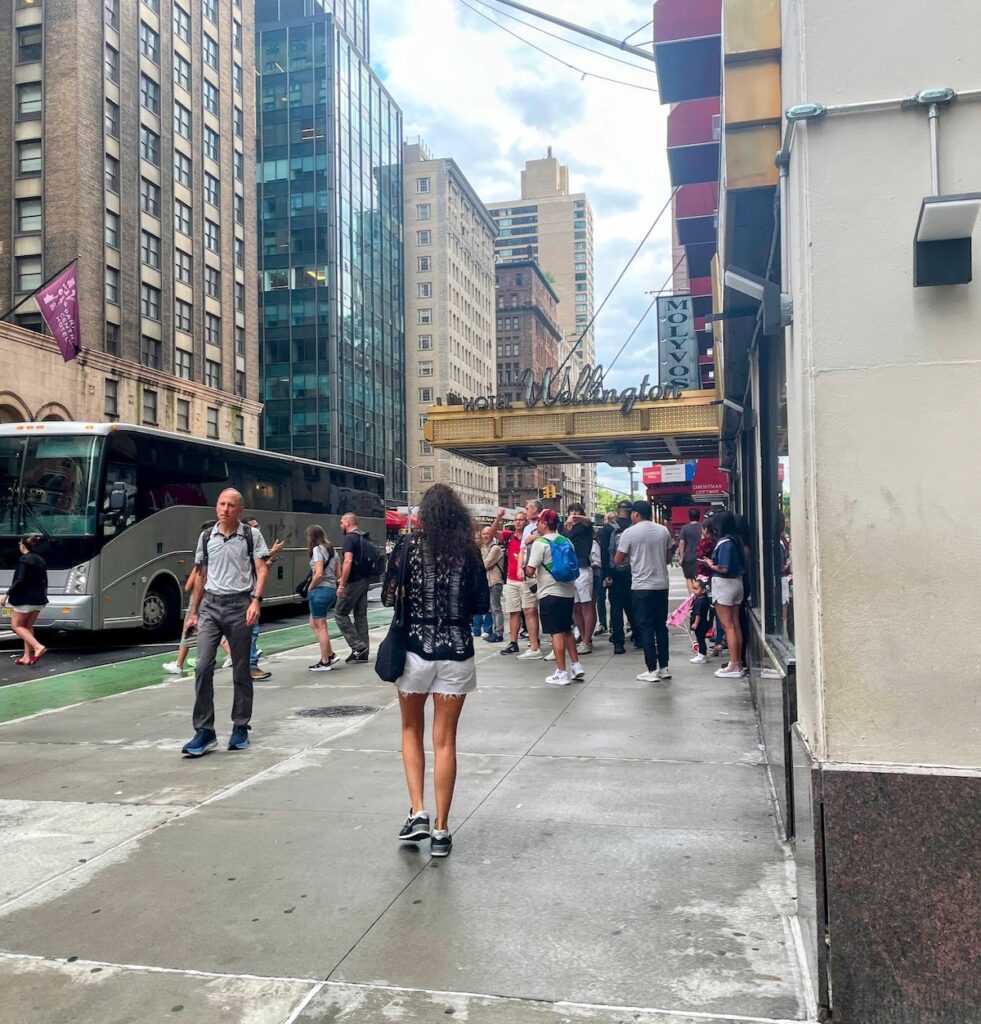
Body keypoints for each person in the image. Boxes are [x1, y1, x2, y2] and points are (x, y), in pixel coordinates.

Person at [383, 484, 489, 858]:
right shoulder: (468, 550)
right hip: (457, 652)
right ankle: (442, 830)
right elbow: (480, 604)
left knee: (411, 729)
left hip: (413, 650)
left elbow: (388, 596)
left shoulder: (407, 547)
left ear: (424, 515)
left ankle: (418, 813)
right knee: (446, 740)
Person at [181, 489, 269, 757]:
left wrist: (255, 601)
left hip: (240, 605)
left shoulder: (251, 536)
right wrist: (194, 611)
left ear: (239, 510)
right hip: (210, 607)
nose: (225, 509)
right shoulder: (207, 536)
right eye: (221, 503)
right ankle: (204, 730)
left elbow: (262, 569)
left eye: (231, 505)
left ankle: (240, 726)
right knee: (203, 666)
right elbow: (201, 574)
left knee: (241, 670)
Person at [615, 501, 673, 683]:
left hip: (641, 586)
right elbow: (668, 558)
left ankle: (651, 668)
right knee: (660, 626)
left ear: (635, 514)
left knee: (645, 627)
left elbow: (618, 559)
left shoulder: (629, 533)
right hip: (661, 584)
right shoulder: (663, 531)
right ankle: (664, 667)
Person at [525, 509, 584, 685]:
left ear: (544, 524)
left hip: (549, 593)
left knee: (556, 633)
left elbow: (530, 570)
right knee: (567, 630)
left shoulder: (540, 543)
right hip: (568, 592)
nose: (536, 525)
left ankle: (561, 672)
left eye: (538, 522)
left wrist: (524, 568)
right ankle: (576, 665)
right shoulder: (566, 541)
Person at [699, 511, 746, 679]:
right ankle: (738, 662)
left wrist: (711, 564)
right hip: (736, 583)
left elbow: (723, 568)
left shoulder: (724, 543)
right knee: (735, 624)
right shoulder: (736, 541)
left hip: (724, 584)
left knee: (728, 626)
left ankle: (733, 664)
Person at [499, 510, 543, 659]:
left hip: (527, 578)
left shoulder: (532, 536)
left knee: (530, 611)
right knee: (513, 611)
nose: (518, 522)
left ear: (527, 522)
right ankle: (513, 642)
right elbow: (492, 533)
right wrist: (498, 517)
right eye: (516, 519)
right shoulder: (510, 536)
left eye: (521, 519)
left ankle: (534, 643)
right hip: (512, 579)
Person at [245, 517, 284, 681]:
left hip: (251, 592)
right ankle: (251, 667)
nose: (257, 529)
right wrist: (272, 552)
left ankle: (247, 666)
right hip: (247, 594)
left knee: (250, 631)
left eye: (257, 525)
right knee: (251, 630)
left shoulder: (251, 544)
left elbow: (257, 567)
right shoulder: (246, 544)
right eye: (253, 526)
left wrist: (267, 562)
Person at [1, 534, 47, 665]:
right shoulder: (40, 559)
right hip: (39, 599)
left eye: (19, 543)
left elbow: (20, 580)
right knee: (27, 627)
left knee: (16, 626)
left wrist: (7, 593)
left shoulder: (24, 560)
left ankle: (38, 646)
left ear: (23, 545)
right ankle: (26, 657)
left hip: (25, 599)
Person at [600, 500, 639, 654]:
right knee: (633, 606)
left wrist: (607, 574)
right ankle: (639, 636)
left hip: (614, 572)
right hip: (633, 572)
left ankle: (618, 642)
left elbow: (604, 553)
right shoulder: (636, 527)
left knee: (616, 608)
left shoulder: (608, 528)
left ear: (617, 511)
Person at [335, 513, 373, 662]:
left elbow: (347, 561)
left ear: (348, 523)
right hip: (365, 580)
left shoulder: (350, 538)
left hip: (353, 582)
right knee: (360, 616)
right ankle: (363, 652)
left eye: (341, 523)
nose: (340, 526)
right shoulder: (364, 537)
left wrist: (342, 584)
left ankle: (358, 646)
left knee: (340, 613)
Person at [305, 524, 340, 672]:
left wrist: (310, 587)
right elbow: (339, 574)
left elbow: (318, 573)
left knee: (321, 626)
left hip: (320, 590)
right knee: (314, 622)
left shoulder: (317, 550)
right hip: (331, 589)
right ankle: (330, 654)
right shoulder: (333, 551)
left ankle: (325, 661)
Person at [563, 503, 596, 655]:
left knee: (586, 604)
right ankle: (583, 637)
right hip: (570, 569)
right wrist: (568, 525)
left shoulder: (585, 526)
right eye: (572, 511)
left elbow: (589, 522)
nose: (574, 513)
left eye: (577, 510)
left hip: (583, 567)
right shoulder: (565, 527)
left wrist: (578, 518)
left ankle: (587, 640)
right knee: (575, 607)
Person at [480, 521, 505, 643]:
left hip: (494, 581)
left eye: (488, 533)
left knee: (496, 608)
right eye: (483, 533)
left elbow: (485, 564)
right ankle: (493, 631)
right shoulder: (484, 548)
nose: (485, 535)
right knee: (490, 608)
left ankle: (498, 633)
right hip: (486, 582)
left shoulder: (495, 548)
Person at [677, 508, 703, 595]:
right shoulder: (702, 527)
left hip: (688, 557)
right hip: (701, 557)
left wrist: (681, 558)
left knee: (689, 578)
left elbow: (682, 543)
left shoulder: (685, 528)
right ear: (699, 517)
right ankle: (698, 595)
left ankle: (691, 598)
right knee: (700, 578)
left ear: (689, 517)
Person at [689, 577, 712, 664]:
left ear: (702, 591)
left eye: (696, 589)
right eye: (693, 588)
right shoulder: (700, 599)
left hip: (700, 624)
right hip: (702, 623)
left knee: (700, 639)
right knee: (700, 639)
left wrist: (695, 623)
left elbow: (699, 614)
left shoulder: (701, 601)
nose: (693, 590)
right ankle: (701, 654)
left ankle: (702, 655)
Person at [590, 536, 606, 635]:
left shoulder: (593, 544)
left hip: (597, 574)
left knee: (599, 599)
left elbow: (597, 562)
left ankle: (603, 623)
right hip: (593, 574)